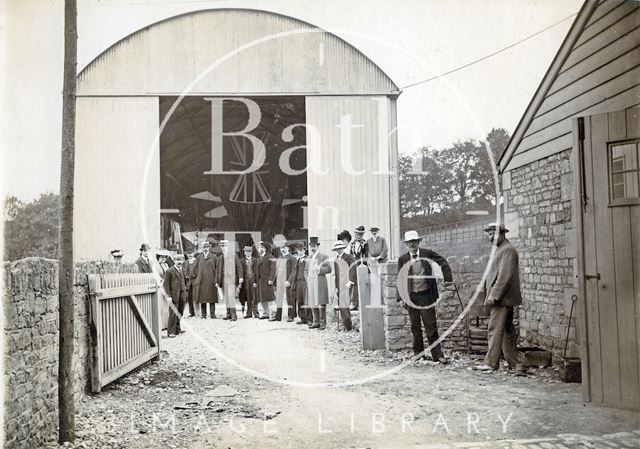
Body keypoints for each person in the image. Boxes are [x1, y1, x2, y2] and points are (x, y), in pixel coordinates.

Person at [397, 230, 452, 364]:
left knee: (431, 326)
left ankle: (437, 355)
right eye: (409, 242)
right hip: (411, 297)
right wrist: (400, 298)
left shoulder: (427, 253)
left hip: (426, 295)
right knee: (415, 327)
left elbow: (443, 262)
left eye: (414, 242)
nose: (412, 244)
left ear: (418, 242)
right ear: (406, 244)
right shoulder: (403, 259)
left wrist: (448, 279)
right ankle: (419, 354)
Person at [475, 223, 522, 371]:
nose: (491, 237)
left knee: (494, 329)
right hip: (503, 299)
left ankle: (490, 363)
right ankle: (514, 363)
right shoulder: (501, 249)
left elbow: (504, 276)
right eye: (489, 234)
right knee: (507, 330)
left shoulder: (507, 250)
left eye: (494, 234)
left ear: (502, 234)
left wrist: (494, 295)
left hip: (502, 299)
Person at [306, 236, 331, 330]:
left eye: (314, 246)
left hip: (320, 281)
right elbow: (306, 270)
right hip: (311, 282)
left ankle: (323, 323)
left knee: (321, 302)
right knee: (313, 302)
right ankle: (316, 322)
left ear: (317, 246)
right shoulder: (309, 257)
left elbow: (329, 269)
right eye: (311, 246)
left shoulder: (324, 256)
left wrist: (319, 269)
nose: (312, 248)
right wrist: (307, 278)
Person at [217, 240, 243, 321]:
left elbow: (239, 267)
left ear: (228, 246)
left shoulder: (233, 255)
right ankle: (228, 314)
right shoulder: (220, 257)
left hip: (231, 280)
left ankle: (233, 315)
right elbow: (218, 270)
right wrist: (217, 281)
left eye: (224, 246)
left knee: (231, 297)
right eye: (222, 246)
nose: (223, 247)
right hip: (223, 280)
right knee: (227, 298)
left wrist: (240, 277)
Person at [163, 254, 188, 337]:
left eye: (180, 260)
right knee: (173, 313)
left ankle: (177, 329)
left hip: (182, 295)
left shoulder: (182, 270)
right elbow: (166, 285)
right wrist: (168, 296)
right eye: (177, 260)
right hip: (173, 295)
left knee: (180, 312)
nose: (179, 262)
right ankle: (171, 331)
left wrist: (185, 290)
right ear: (174, 261)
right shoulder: (169, 271)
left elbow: (184, 281)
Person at [332, 241, 354, 331]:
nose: (339, 250)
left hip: (347, 283)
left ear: (343, 248)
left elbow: (353, 269)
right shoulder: (336, 259)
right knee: (343, 305)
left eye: (340, 248)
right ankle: (347, 325)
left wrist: (350, 281)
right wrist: (336, 287)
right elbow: (336, 275)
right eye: (337, 249)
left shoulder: (349, 257)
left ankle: (348, 326)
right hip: (340, 285)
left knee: (343, 305)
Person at [272, 240, 297, 322]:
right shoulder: (279, 258)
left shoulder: (292, 258)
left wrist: (289, 281)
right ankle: (278, 316)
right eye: (281, 248)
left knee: (290, 298)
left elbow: (294, 271)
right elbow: (277, 271)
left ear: (288, 248)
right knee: (278, 298)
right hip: (279, 281)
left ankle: (291, 316)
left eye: (284, 247)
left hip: (287, 281)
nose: (282, 249)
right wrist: (275, 282)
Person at [287, 242, 311, 325]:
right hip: (298, 282)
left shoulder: (308, 259)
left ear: (304, 250)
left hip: (305, 282)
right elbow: (295, 272)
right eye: (298, 250)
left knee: (306, 300)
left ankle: (309, 319)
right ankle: (303, 318)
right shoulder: (298, 260)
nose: (300, 252)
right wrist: (293, 283)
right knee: (300, 300)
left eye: (301, 250)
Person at [194, 241, 218, 319]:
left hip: (211, 279)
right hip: (201, 280)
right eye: (204, 247)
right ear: (202, 248)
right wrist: (198, 275)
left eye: (207, 247)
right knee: (202, 298)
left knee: (212, 297)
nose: (205, 249)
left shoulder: (214, 256)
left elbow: (217, 269)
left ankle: (212, 314)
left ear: (209, 247)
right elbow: (195, 268)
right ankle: (203, 315)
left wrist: (216, 279)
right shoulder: (199, 257)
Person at [349, 225, 368, 310]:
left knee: (362, 282)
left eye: (360, 234)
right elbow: (350, 255)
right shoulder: (352, 243)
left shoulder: (365, 243)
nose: (358, 236)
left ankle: (362, 302)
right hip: (353, 264)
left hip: (362, 264)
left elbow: (366, 255)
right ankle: (353, 302)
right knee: (353, 282)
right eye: (357, 234)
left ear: (362, 235)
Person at [256, 241, 276, 319]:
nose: (260, 249)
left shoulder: (271, 257)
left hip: (268, 281)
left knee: (270, 298)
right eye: (260, 247)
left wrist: (271, 279)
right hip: (261, 281)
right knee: (262, 299)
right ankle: (266, 313)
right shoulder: (260, 258)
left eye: (262, 247)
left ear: (266, 249)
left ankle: (273, 315)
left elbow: (273, 269)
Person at [239, 245, 259, 318]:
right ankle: (249, 313)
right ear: (244, 252)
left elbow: (257, 272)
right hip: (246, 280)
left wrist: (255, 282)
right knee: (248, 296)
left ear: (252, 252)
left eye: (249, 252)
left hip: (253, 279)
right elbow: (240, 271)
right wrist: (241, 281)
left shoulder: (256, 260)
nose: (248, 253)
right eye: (247, 251)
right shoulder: (241, 261)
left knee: (254, 296)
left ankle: (256, 313)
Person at [183, 252, 198, 317]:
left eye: (191, 253)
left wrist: (195, 275)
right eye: (188, 254)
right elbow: (183, 270)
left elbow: (199, 270)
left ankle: (198, 311)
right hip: (188, 282)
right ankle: (191, 312)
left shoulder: (197, 261)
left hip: (195, 280)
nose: (190, 255)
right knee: (189, 297)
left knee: (196, 296)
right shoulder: (185, 262)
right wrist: (185, 275)